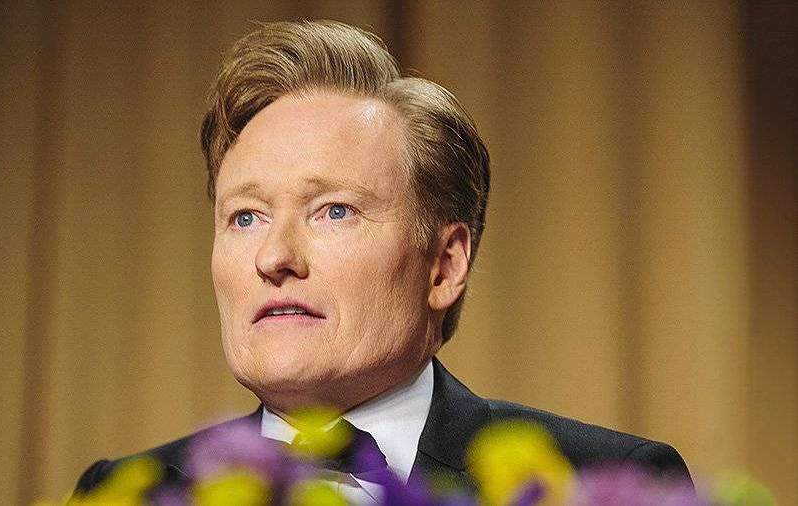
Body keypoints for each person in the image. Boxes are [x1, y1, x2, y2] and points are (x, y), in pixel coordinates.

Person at [72, 20, 690, 503]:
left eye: (334, 211)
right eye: (246, 217)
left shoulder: (596, 486)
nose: (274, 257)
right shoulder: (125, 494)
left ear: (444, 266)